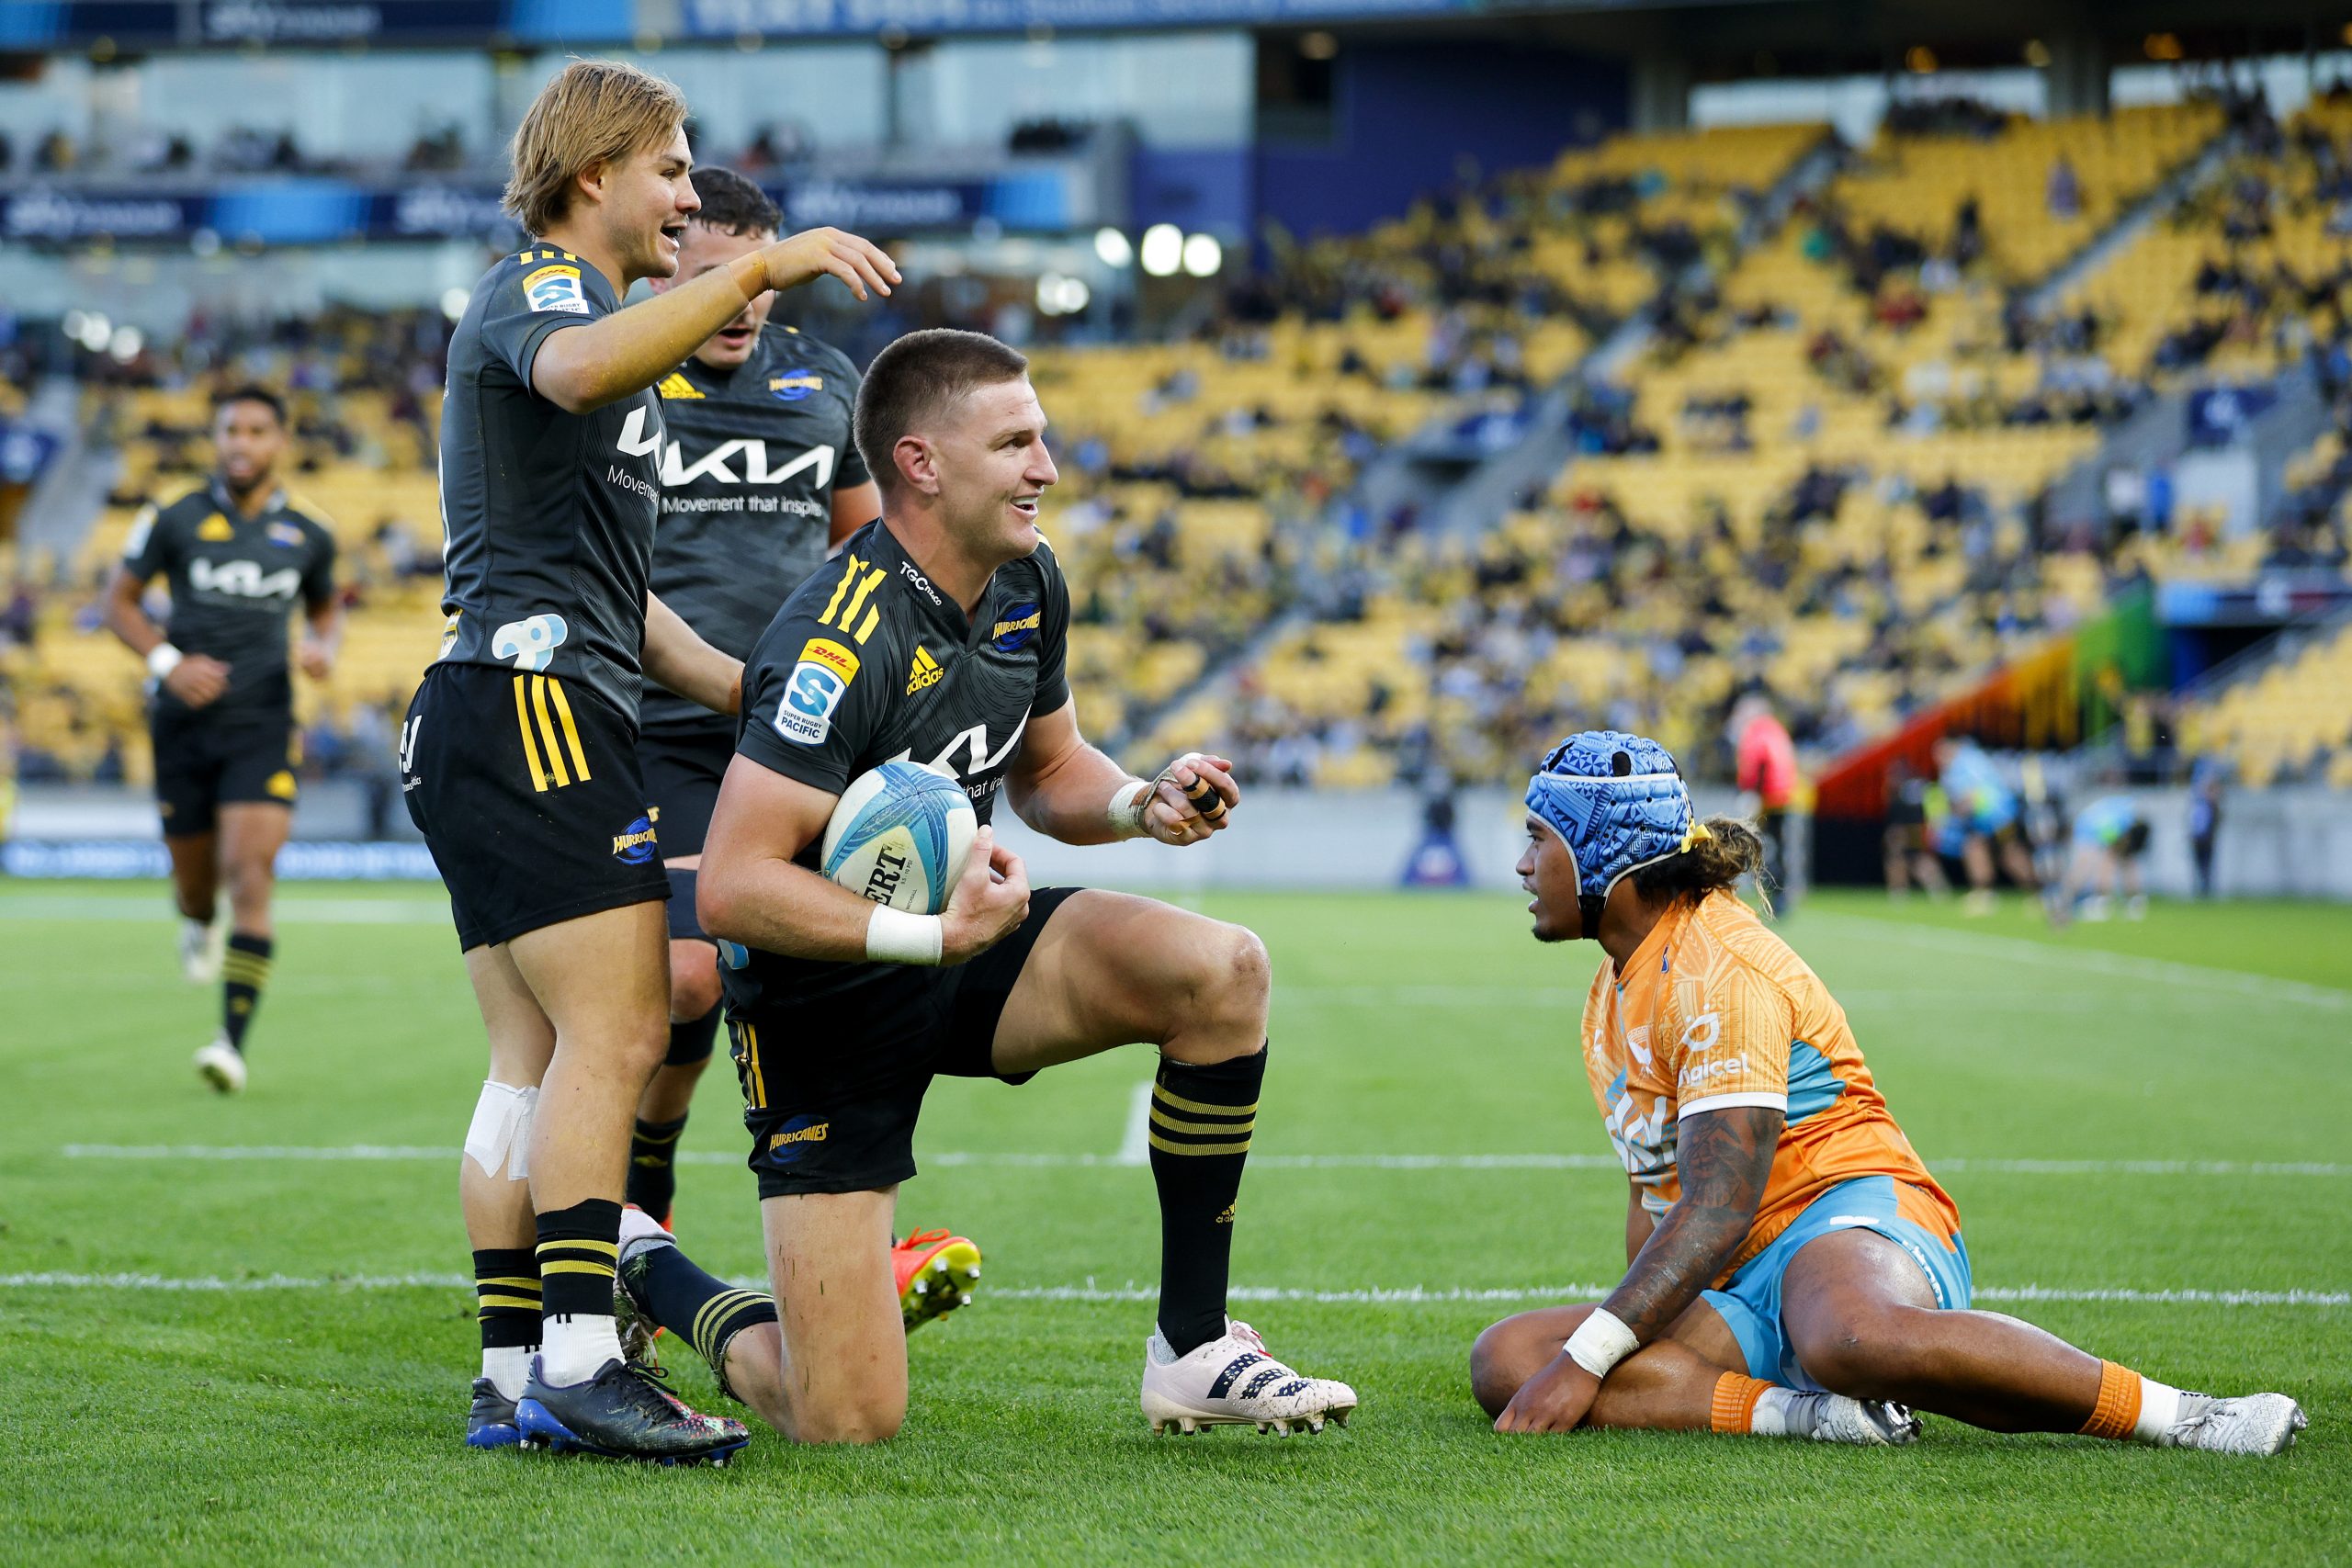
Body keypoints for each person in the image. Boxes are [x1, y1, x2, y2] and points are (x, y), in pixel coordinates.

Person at [605, 327, 1358, 1445]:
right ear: (921, 464)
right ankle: (644, 1258)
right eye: (1014, 443)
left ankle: (1194, 1350)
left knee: (1218, 970)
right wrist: (928, 941)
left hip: (962, 943)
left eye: (1041, 439)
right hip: (822, 1003)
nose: (1045, 468)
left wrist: (1135, 802)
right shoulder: (832, 638)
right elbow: (730, 888)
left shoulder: (1027, 580)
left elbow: (1051, 769)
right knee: (840, 1419)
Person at [398, 57, 898, 1462]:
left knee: (528, 1061)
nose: (690, 196)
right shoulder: (545, 294)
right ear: (593, 172)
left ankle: (509, 1374)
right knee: (620, 1031)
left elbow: (632, 604)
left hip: (509, 699)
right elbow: (572, 367)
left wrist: (755, 692)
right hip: (536, 704)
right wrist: (762, 270)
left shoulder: (612, 328)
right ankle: (576, 1356)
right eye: (672, 169)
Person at [1469, 730, 2304, 1456]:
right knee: (1506, 1360)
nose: (1520, 862)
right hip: (1737, 1271)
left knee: (1845, 1333)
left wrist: (1594, 1360)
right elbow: (1654, 1194)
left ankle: (2182, 1416)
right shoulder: (1611, 991)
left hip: (1848, 1214)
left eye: (1539, 837)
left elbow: (1719, 1202)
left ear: (1604, 855)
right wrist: (1635, 1338)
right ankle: (1815, 1418)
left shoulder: (1719, 967)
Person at [622, 165, 881, 1228]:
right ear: (668, 268)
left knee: (833, 993)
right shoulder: (616, 382)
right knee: (686, 983)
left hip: (795, 738)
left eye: (763, 276)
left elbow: (866, 557)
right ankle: (646, 1185)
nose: (749, 300)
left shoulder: (823, 383)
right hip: (656, 729)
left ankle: (839, 1233)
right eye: (720, 277)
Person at [105, 386, 341, 1095]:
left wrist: (323, 647)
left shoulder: (309, 531)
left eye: (257, 429)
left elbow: (327, 612)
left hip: (262, 725)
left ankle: (229, 1044)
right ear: (215, 438)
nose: (242, 442)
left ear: (280, 439)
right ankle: (198, 921)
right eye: (230, 429)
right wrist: (168, 663)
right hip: (180, 726)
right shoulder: (172, 516)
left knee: (251, 873)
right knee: (197, 890)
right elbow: (115, 602)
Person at [1933, 736, 2037, 914]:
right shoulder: (1963, 762)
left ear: (1952, 747)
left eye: (1941, 752)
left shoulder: (1965, 763)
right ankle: (1988, 893)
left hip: (1996, 815)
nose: (1938, 758)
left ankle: (2033, 893)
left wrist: (1951, 817)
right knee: (1985, 849)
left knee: (2005, 853)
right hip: (1988, 817)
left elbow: (1971, 794)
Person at [1729, 692, 1799, 909]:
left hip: (1767, 796)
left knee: (1761, 843)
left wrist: (1752, 793)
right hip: (1783, 795)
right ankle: (1780, 892)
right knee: (1777, 843)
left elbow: (1758, 763)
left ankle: (1772, 891)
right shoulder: (1777, 730)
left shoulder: (1756, 733)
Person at [2050, 794, 2151, 924]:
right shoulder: (2119, 818)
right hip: (2098, 826)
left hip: (2104, 825)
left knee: (2116, 860)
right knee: (2098, 864)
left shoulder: (2120, 817)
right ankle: (2120, 901)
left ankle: (2107, 901)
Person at [2188, 761, 2223, 897]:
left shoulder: (2212, 806)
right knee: (2199, 865)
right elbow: (2193, 822)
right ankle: (2201, 890)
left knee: (2207, 865)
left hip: (2207, 839)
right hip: (2197, 839)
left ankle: (2206, 890)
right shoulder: (2198, 804)